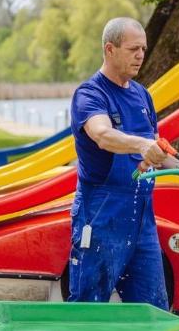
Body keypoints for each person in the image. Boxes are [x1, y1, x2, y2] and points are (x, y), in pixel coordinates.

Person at [68, 17, 173, 309]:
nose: (141, 55)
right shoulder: (90, 94)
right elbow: (102, 135)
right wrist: (141, 145)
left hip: (142, 222)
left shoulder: (142, 95)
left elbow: (158, 149)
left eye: (143, 48)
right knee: (89, 309)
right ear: (110, 49)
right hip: (101, 217)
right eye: (133, 49)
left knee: (153, 310)